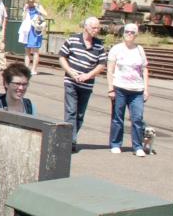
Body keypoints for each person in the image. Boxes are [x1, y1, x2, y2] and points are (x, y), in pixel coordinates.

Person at [104, 23, 149, 155]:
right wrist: (110, 88)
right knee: (118, 117)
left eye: (132, 32)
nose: (129, 34)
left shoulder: (140, 50)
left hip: (137, 89)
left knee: (137, 118)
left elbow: (145, 70)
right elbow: (110, 70)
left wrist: (146, 89)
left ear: (136, 35)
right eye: (127, 31)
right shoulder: (116, 49)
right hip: (120, 88)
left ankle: (137, 146)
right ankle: (116, 143)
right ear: (123, 33)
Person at [60, 16, 108, 141]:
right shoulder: (72, 40)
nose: (96, 30)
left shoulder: (99, 45)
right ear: (86, 27)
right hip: (71, 81)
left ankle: (71, 138)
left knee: (80, 115)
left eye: (98, 28)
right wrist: (70, 72)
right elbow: (62, 57)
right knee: (71, 112)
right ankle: (69, 141)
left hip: (87, 84)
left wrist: (89, 75)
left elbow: (102, 64)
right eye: (94, 27)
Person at [21, 0, 49, 75]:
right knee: (27, 51)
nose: (31, 3)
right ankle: (26, 68)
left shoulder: (38, 6)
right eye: (29, 0)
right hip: (28, 30)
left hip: (36, 30)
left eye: (32, 0)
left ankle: (33, 69)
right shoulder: (26, 6)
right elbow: (23, 18)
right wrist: (25, 10)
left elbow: (45, 14)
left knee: (35, 51)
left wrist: (37, 8)